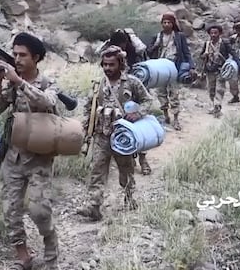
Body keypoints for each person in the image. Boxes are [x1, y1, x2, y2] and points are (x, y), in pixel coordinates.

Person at [0, 32, 60, 270]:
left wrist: (18, 82)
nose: (17, 59)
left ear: (36, 58)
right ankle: (23, 256)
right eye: (15, 54)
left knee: (39, 210)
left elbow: (46, 104)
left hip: (39, 157)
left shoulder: (48, 85)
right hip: (14, 155)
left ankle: (50, 237)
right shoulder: (12, 83)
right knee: (10, 210)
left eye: (23, 55)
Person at [76, 46, 153, 222]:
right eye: (105, 64)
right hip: (101, 136)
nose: (108, 68)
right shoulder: (98, 84)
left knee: (126, 170)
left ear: (120, 64)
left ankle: (129, 198)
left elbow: (148, 100)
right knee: (97, 170)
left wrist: (138, 113)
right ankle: (94, 206)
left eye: (111, 64)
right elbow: (90, 107)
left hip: (123, 137)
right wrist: (86, 129)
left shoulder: (132, 82)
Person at [105, 29, 152, 175]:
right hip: (116, 96)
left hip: (133, 91)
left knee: (138, 129)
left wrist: (139, 112)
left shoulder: (134, 51)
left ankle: (143, 160)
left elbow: (141, 69)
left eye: (122, 44)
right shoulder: (109, 53)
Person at [146, 13, 192, 131]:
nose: (166, 25)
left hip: (174, 67)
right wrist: (155, 45)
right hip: (160, 67)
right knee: (161, 92)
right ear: (161, 24)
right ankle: (166, 114)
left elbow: (186, 52)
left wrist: (191, 66)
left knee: (174, 93)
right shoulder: (157, 36)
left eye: (169, 22)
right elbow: (148, 52)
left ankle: (176, 119)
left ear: (173, 24)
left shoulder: (179, 36)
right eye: (164, 22)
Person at [197, 24, 240, 118]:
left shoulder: (224, 43)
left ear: (220, 33)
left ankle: (218, 106)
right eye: (211, 33)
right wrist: (204, 56)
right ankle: (214, 105)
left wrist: (239, 65)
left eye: (215, 33)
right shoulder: (207, 44)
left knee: (219, 89)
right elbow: (201, 56)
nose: (213, 35)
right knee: (211, 89)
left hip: (221, 70)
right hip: (209, 70)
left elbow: (233, 53)